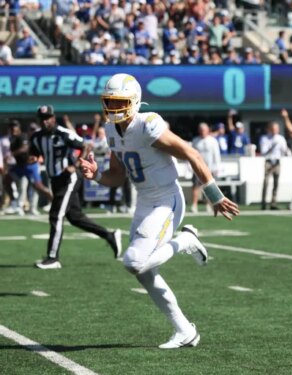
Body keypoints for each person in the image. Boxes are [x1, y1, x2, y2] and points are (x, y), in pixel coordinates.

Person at [79, 73, 240, 348]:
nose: (113, 109)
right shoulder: (110, 131)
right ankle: (184, 331)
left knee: (133, 262)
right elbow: (117, 176)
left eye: (119, 103)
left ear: (134, 101)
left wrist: (214, 195)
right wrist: (96, 175)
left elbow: (192, 154)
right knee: (143, 272)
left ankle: (187, 239)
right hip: (145, 202)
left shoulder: (148, 123)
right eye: (109, 102)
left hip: (167, 199)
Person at [28, 105, 120, 268]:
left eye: (47, 118)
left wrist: (76, 165)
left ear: (53, 118)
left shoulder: (63, 133)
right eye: (42, 119)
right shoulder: (36, 137)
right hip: (55, 179)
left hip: (69, 178)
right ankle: (109, 235)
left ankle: (52, 258)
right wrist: (33, 158)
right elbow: (34, 152)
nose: (45, 121)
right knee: (75, 217)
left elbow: (86, 146)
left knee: (56, 215)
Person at [191, 122, 221, 213]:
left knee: (209, 187)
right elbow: (191, 154)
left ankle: (208, 205)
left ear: (207, 130)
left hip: (209, 168)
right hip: (197, 167)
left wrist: (217, 167)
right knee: (196, 187)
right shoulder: (195, 140)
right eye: (200, 130)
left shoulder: (213, 141)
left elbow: (216, 155)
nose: (202, 132)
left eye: (203, 130)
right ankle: (194, 205)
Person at [259, 121, 287, 210]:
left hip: (277, 162)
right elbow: (263, 152)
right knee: (266, 183)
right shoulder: (264, 138)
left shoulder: (281, 138)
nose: (275, 130)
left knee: (276, 183)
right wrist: (271, 148)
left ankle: (273, 203)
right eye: (274, 129)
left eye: (277, 129)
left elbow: (284, 150)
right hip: (268, 161)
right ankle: (263, 203)